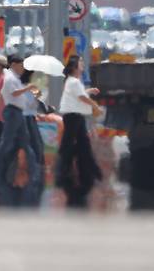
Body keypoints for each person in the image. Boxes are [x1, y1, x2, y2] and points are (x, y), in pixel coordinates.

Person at [57, 55, 103, 208]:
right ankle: (64, 173)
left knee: (83, 144)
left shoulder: (74, 82)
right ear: (75, 66)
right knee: (68, 145)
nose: (83, 65)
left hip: (77, 116)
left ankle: (90, 171)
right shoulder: (73, 81)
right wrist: (94, 105)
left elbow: (80, 93)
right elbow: (82, 97)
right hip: (73, 116)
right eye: (81, 63)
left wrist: (89, 91)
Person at [0, 55, 38, 206]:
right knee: (7, 142)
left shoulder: (14, 78)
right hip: (13, 112)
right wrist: (28, 88)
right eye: (21, 65)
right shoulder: (10, 77)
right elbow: (13, 93)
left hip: (18, 112)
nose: (22, 68)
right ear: (14, 64)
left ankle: (32, 169)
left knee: (24, 141)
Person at [20, 69, 45, 205]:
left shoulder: (29, 88)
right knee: (34, 147)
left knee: (35, 146)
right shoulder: (23, 88)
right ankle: (32, 172)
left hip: (29, 118)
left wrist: (37, 96)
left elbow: (36, 103)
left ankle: (32, 171)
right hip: (26, 119)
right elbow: (29, 105)